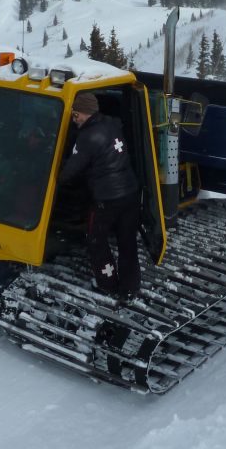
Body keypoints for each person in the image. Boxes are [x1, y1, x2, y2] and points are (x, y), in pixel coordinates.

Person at [58, 92, 142, 300]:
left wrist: (54, 180)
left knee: (96, 240)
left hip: (107, 199)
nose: (74, 119)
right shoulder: (112, 124)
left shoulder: (88, 136)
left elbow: (71, 170)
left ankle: (107, 284)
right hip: (129, 193)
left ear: (85, 113)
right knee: (127, 241)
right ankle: (130, 287)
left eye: (75, 114)